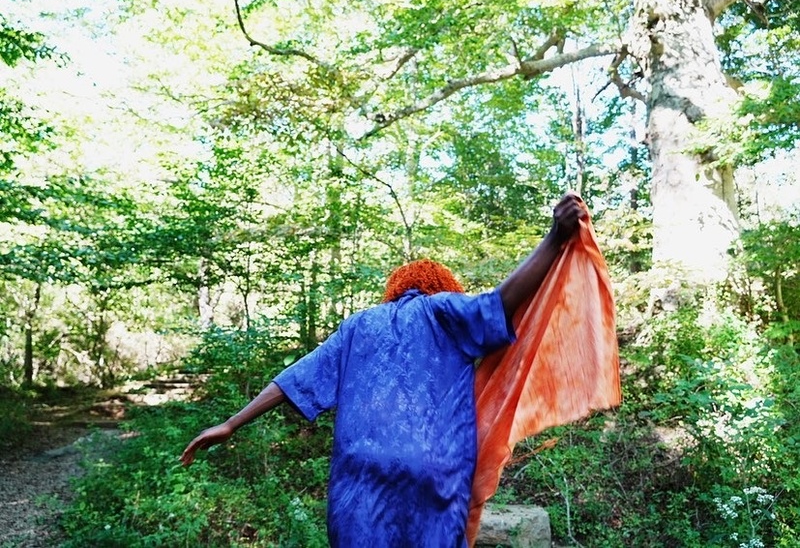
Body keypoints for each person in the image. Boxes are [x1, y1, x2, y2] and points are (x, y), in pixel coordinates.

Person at [181, 192, 586, 547]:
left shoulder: (358, 325)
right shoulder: (444, 311)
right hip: (435, 478)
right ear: (445, 288)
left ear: (394, 289)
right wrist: (554, 238)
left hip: (360, 483)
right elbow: (500, 302)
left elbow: (293, 380)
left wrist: (231, 425)